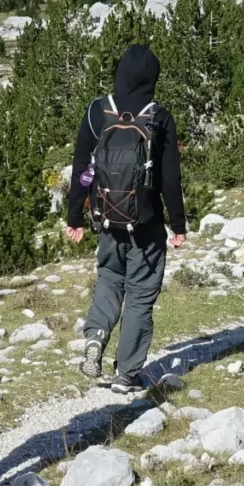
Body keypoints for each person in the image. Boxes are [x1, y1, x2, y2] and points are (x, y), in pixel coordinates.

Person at [65, 43, 186, 391]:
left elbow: (82, 171)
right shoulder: (159, 117)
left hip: (106, 221)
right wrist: (177, 226)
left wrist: (75, 216)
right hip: (145, 224)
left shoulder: (96, 111)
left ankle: (95, 337)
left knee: (109, 280)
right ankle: (126, 374)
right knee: (141, 294)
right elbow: (170, 179)